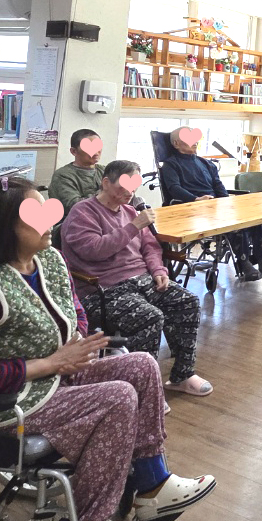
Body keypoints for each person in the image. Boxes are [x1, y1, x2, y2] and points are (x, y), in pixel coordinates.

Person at [0, 178, 216, 521]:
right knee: (117, 397)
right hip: (4, 402)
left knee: (141, 365)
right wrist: (50, 363)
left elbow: (74, 310)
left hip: (55, 377)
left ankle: (153, 484)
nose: (50, 222)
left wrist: (80, 339)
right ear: (4, 226)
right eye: (34, 215)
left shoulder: (49, 260)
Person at [61, 160, 211, 398]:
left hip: (141, 280)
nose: (131, 191)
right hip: (102, 289)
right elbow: (94, 250)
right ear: (106, 183)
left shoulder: (131, 212)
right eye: (124, 184)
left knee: (188, 302)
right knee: (150, 316)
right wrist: (133, 226)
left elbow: (150, 247)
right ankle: (145, 389)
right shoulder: (83, 212)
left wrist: (159, 271)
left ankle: (183, 375)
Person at [162, 128, 262, 282]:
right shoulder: (170, 165)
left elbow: (217, 184)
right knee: (235, 224)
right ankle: (244, 263)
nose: (195, 142)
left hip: (215, 205)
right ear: (176, 144)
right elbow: (174, 188)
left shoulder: (205, 163)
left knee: (254, 217)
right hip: (192, 208)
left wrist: (227, 201)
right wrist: (195, 199)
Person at [49, 128, 105, 226]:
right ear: (74, 151)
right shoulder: (63, 175)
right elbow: (75, 206)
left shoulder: (106, 170)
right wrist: (106, 195)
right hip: (73, 225)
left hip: (104, 221)